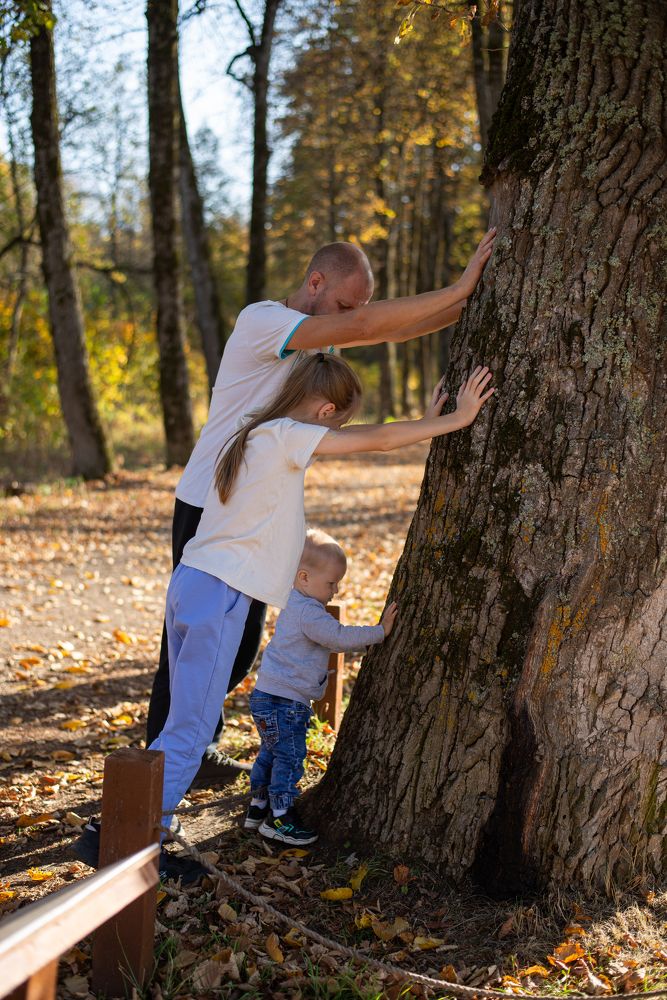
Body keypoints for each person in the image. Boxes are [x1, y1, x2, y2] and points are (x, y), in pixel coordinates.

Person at [146, 231, 497, 788]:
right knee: (189, 654)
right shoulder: (265, 322)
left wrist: (471, 299)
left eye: (352, 310)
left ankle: (190, 749)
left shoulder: (313, 346)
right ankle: (158, 772)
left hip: (249, 504)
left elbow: (391, 326)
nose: (349, 319)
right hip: (209, 501)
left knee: (235, 653)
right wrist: (457, 285)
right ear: (315, 282)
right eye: (341, 304)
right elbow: (365, 326)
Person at [244, 530, 398, 846]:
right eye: (331, 584)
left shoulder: (293, 601)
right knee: (290, 756)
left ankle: (258, 805)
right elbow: (338, 637)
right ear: (303, 577)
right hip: (285, 701)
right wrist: (379, 632)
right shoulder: (308, 612)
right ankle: (280, 818)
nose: (335, 590)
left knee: (271, 753)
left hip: (266, 695)